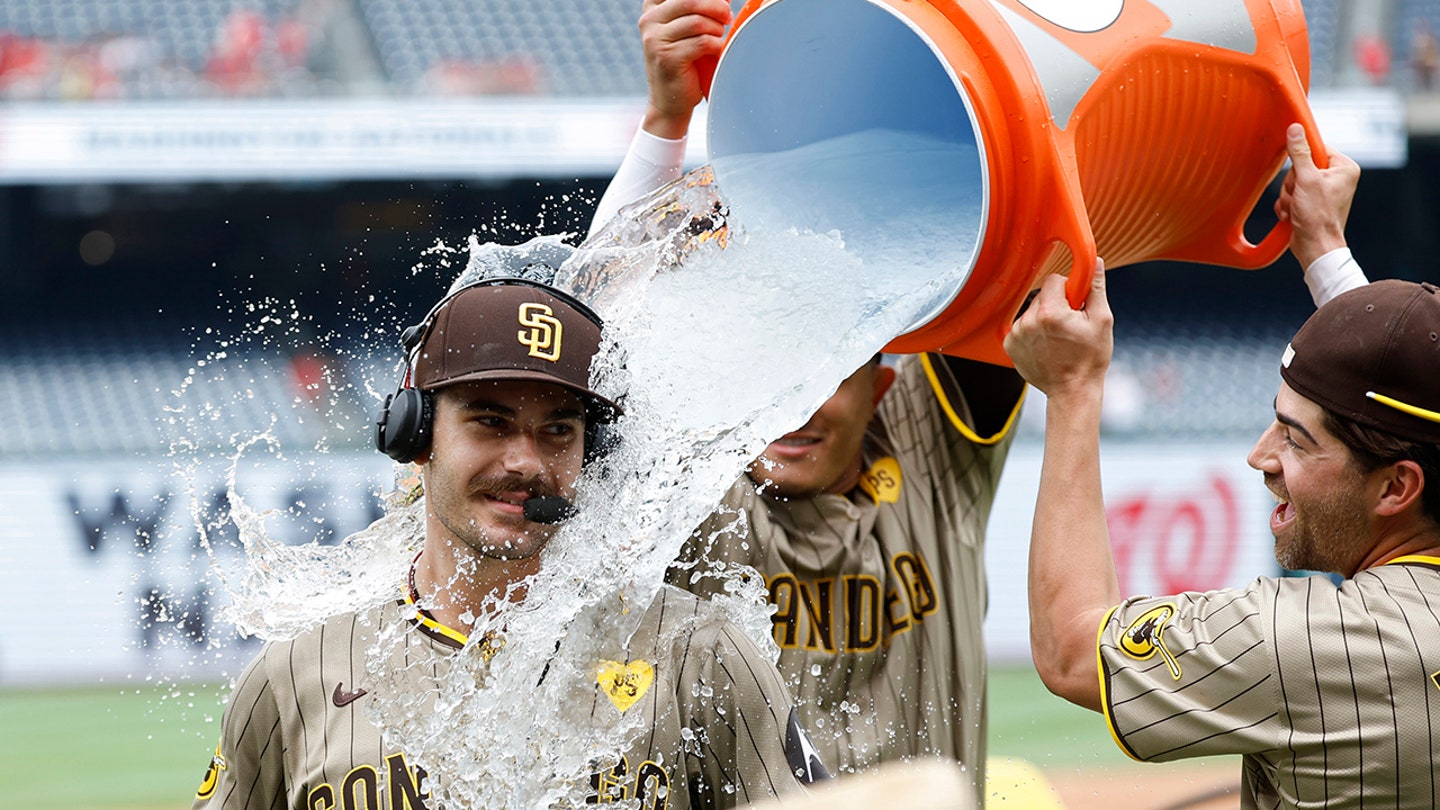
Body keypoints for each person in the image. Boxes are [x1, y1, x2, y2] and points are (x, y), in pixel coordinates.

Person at [586, 0, 1029, 795]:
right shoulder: (692, 483)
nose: (791, 406)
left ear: (885, 388)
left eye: (824, 373)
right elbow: (594, 340)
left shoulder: (933, 450)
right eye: (770, 369)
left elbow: (1009, 231)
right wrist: (666, 122)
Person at [191, 278, 820, 809]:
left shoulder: (695, 652)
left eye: (557, 430)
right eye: (489, 422)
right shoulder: (293, 671)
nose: (525, 461)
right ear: (416, 436)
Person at [1003, 126, 1440, 807]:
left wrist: (1072, 389)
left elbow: (1070, 647)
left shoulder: (1316, 644)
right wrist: (1325, 253)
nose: (1260, 456)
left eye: (1296, 440)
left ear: (1397, 487)